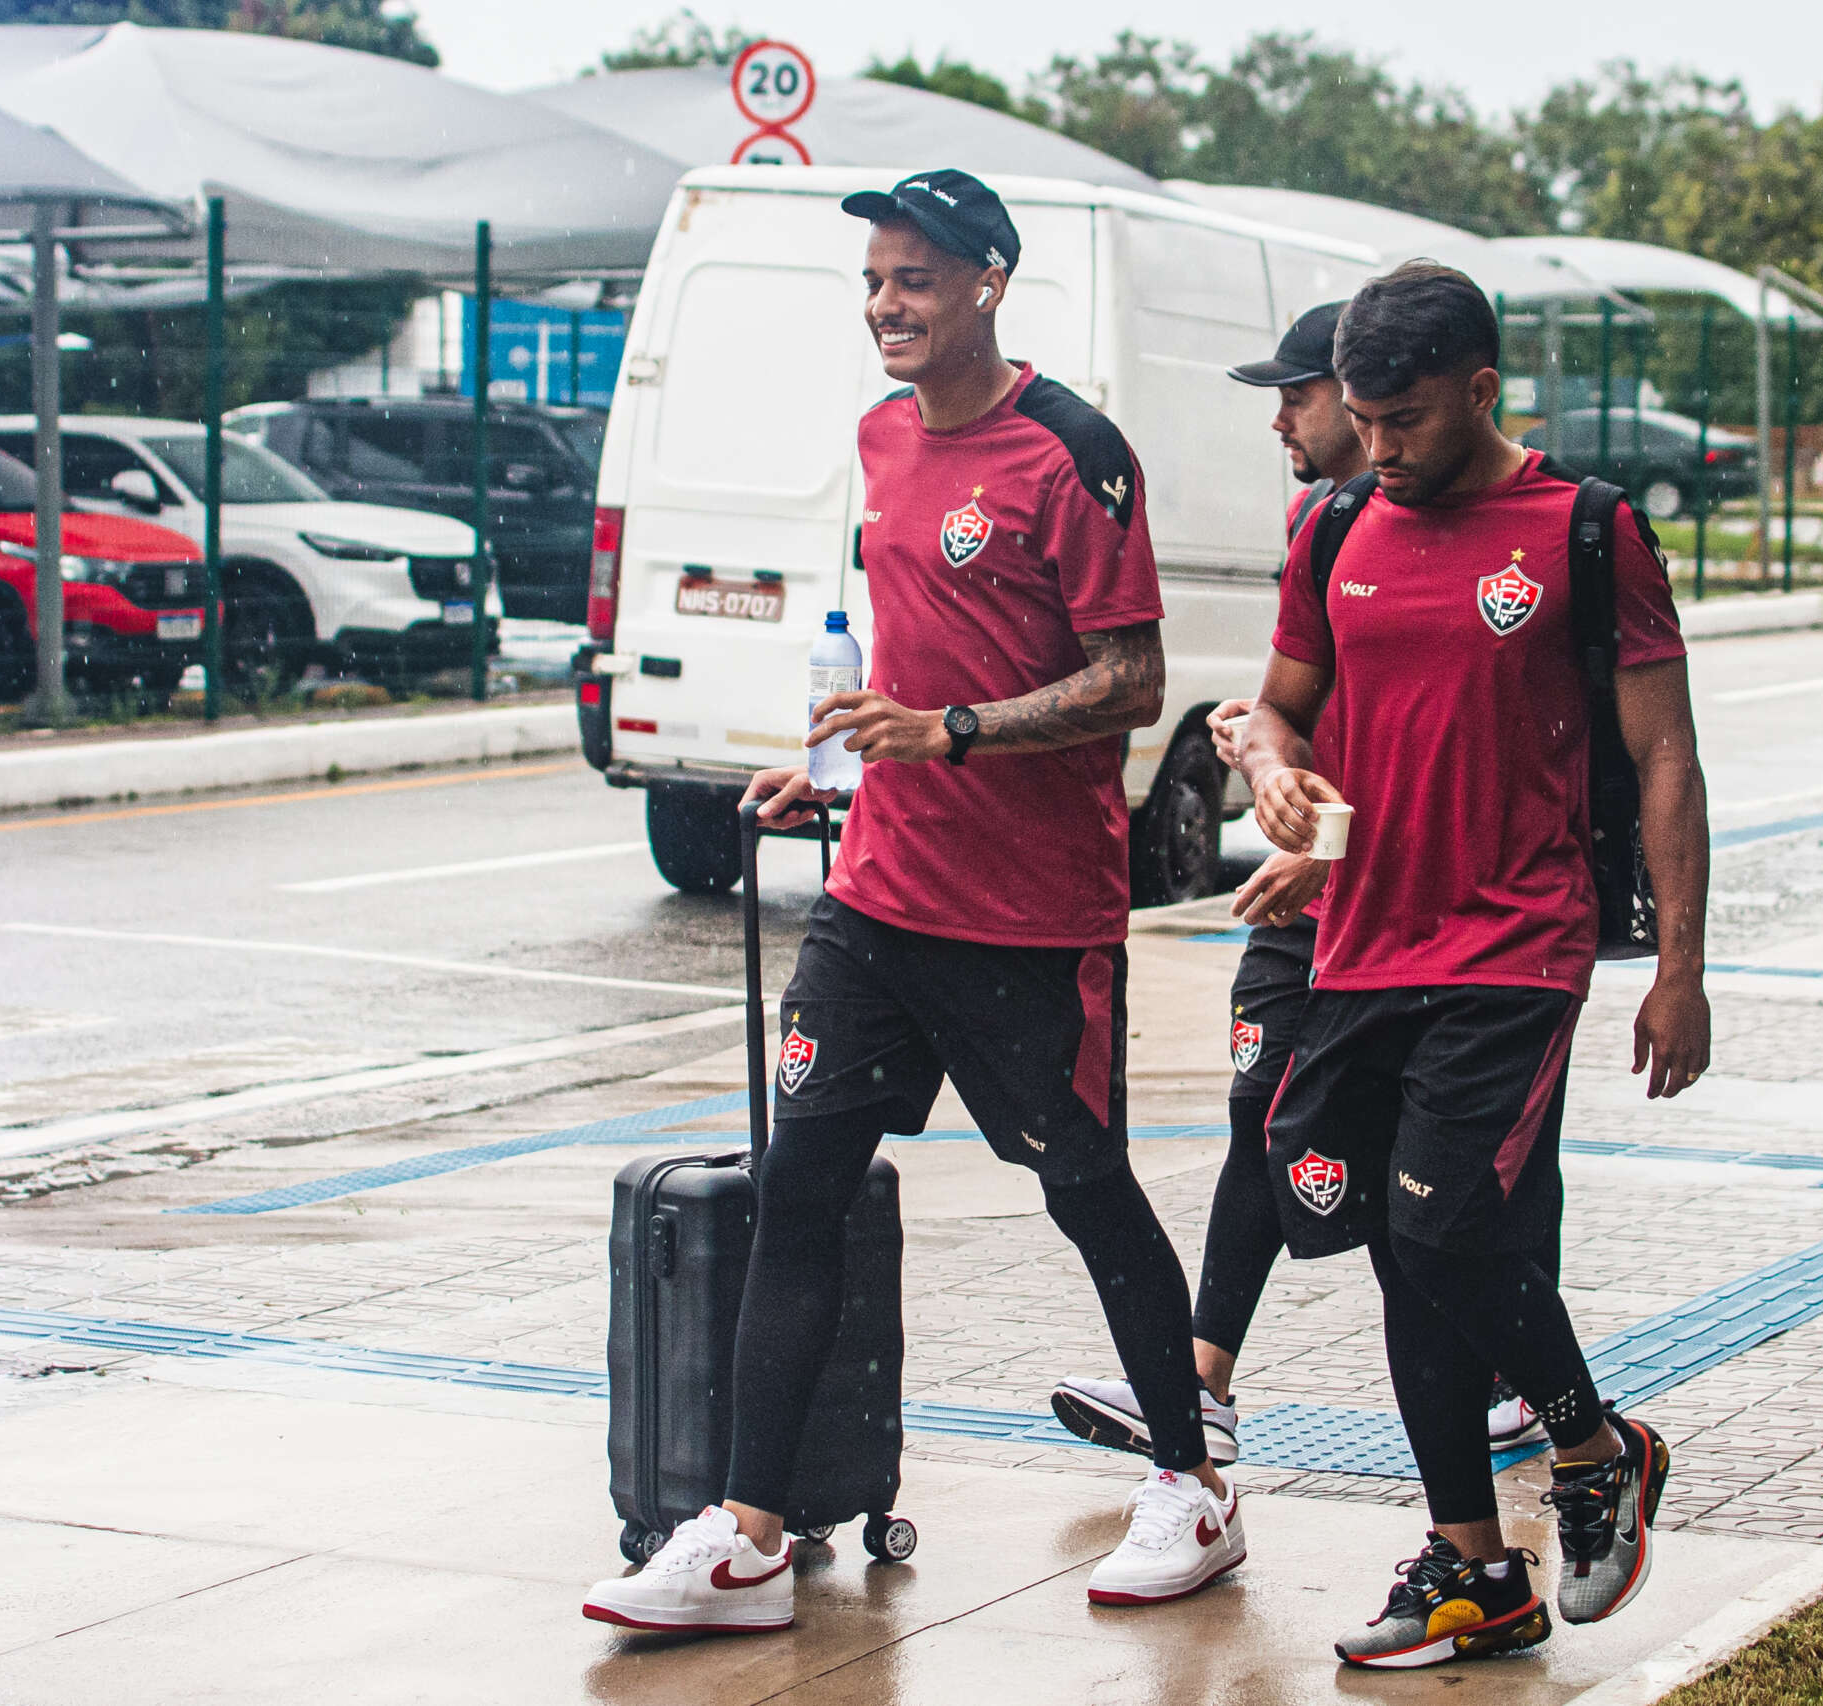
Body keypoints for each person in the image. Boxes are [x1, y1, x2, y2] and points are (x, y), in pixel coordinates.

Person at [581, 169, 1240, 1637]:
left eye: (917, 279)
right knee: (796, 1193)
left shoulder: (1075, 453)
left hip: (1027, 917)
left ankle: (1192, 1483)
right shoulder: (880, 440)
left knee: (1086, 1191)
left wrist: (951, 733)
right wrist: (834, 774)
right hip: (876, 901)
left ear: (989, 284)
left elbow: (1131, 681)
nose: (888, 304)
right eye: (876, 280)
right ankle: (748, 1534)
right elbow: (902, 653)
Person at [1239, 262, 1711, 1669]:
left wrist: (1680, 968)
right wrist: (1271, 768)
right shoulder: (1334, 526)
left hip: (1515, 942)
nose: (1374, 446)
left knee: (1443, 1226)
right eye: (1361, 418)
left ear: (1481, 391)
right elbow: (1279, 706)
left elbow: (1666, 754)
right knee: (1400, 1256)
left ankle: (1594, 1446)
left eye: (1402, 419)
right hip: (1363, 939)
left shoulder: (1584, 530)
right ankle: (1472, 1566)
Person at [1049, 304, 1542, 1468]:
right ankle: (1203, 1375)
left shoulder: (1507, 525)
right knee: (1269, 1118)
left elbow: (1465, 751)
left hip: (1433, 921)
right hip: (1312, 895)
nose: (1286, 418)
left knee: (1435, 1192)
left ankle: (1518, 1392)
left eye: (1300, 395)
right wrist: (1266, 749)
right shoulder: (1324, 523)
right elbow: (1308, 703)